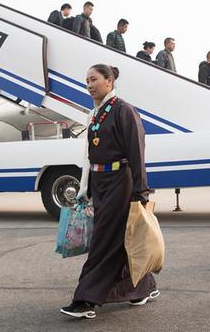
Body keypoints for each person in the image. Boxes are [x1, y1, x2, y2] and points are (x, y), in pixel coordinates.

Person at [61, 64, 159, 319]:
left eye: (94, 79)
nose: (89, 85)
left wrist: (141, 190)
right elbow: (89, 154)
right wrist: (87, 187)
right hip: (101, 183)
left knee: (103, 241)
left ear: (110, 81)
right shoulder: (96, 112)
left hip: (120, 182)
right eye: (86, 81)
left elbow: (137, 151)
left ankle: (86, 299)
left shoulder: (123, 110)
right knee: (119, 239)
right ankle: (141, 288)